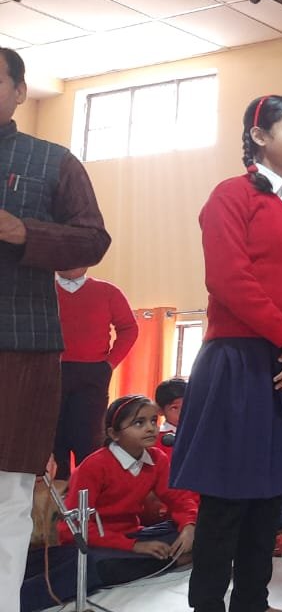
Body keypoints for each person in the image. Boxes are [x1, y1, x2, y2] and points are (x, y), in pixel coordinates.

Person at [170, 95, 282, 612]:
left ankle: (253, 601)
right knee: (227, 495)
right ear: (260, 136)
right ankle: (207, 604)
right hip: (239, 361)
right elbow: (228, 278)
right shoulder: (231, 196)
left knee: (271, 493)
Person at [0, 46, 112, 609]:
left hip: (20, 350)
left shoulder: (52, 161)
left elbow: (93, 240)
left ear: (20, 91)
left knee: (8, 493)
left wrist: (24, 232)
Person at [20, 395, 198, 611]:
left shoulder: (157, 458)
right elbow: (71, 529)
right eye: (139, 423)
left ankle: (152, 560)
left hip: (132, 536)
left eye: (153, 420)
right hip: (94, 544)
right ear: (114, 434)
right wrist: (134, 546)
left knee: (195, 530)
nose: (151, 428)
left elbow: (179, 498)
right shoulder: (95, 466)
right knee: (93, 564)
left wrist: (189, 525)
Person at [52, 267, 138, 480]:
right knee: (52, 440)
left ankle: (88, 495)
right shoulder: (43, 290)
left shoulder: (108, 292)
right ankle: (56, 497)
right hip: (50, 372)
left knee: (89, 439)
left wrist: (109, 364)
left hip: (93, 374)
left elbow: (129, 328)